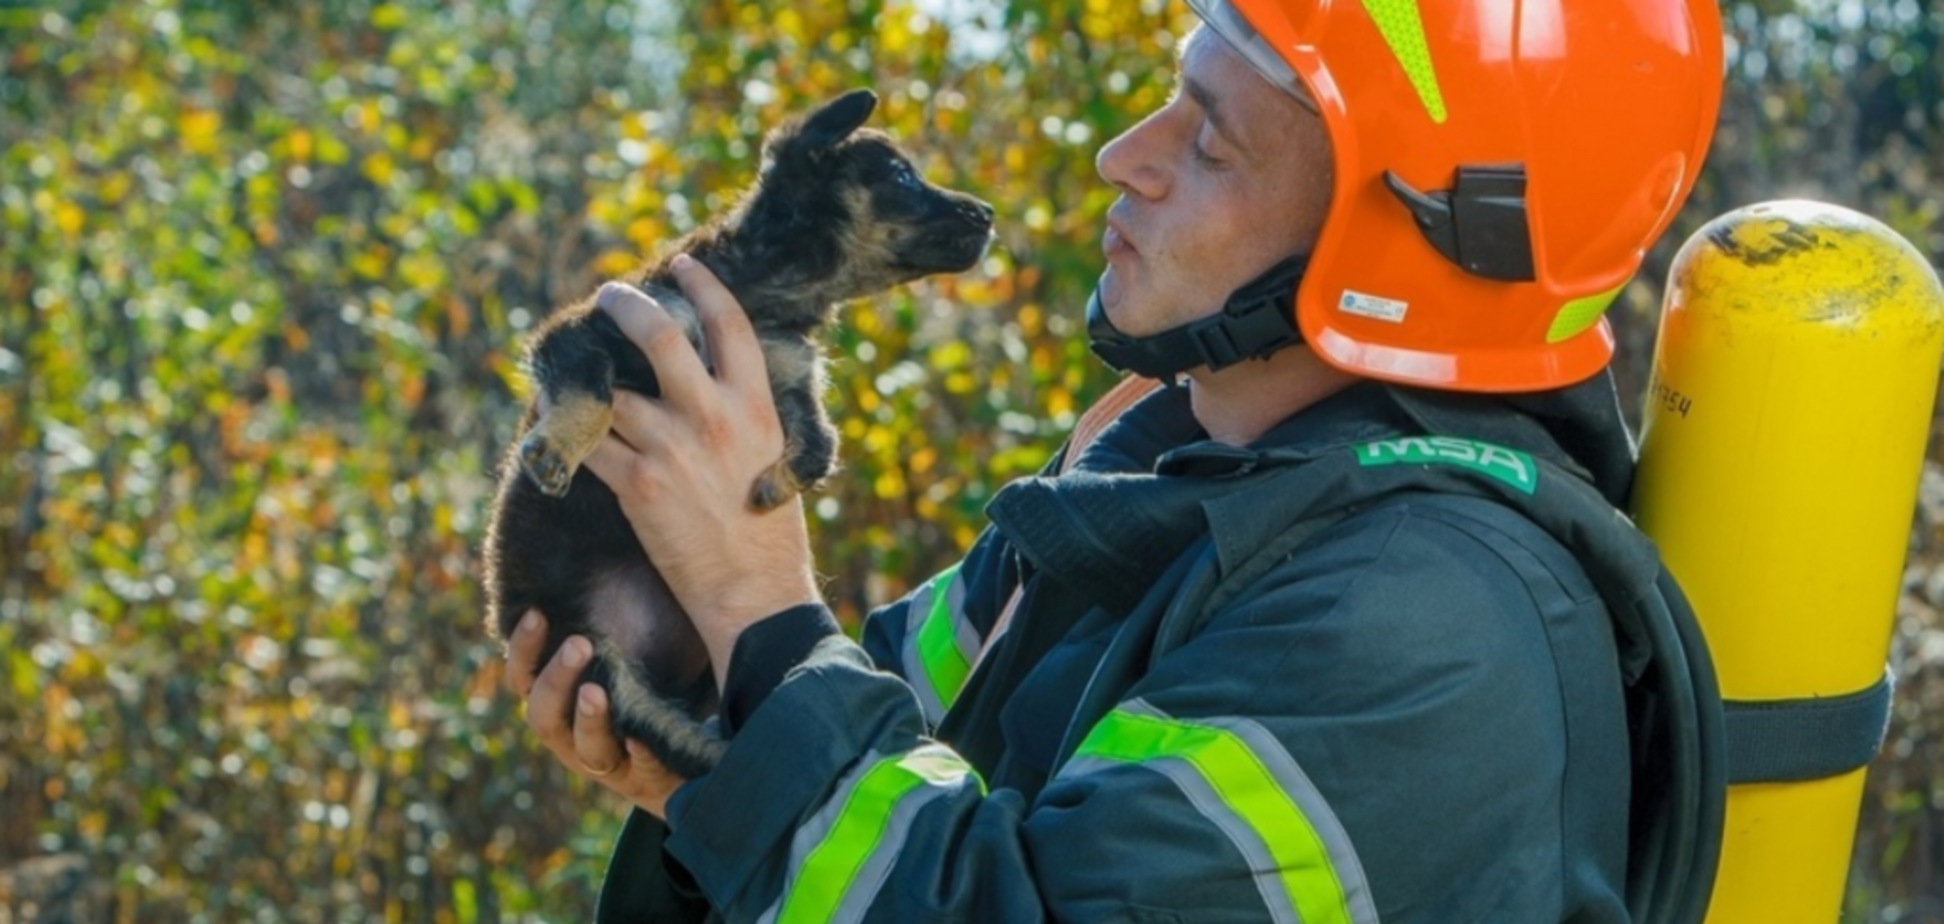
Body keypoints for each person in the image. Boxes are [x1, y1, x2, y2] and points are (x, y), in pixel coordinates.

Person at [505, 1, 1727, 921]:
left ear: (1401, 244)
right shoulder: (1166, 476)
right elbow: (896, 761)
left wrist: (752, 603)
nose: (1127, 156)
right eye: (1172, 96)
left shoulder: (1423, 627)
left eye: (1214, 145)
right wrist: (703, 770)